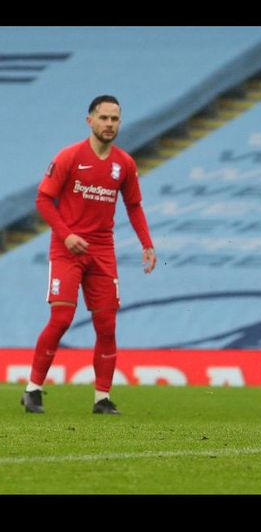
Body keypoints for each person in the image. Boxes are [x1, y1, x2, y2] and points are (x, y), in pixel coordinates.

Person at [21, 95, 157, 415]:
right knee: (62, 318)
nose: (110, 124)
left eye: (115, 119)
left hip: (102, 252)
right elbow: (43, 199)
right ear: (90, 121)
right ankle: (33, 390)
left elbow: (134, 206)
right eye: (104, 118)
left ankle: (102, 398)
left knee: (107, 325)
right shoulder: (70, 157)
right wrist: (66, 235)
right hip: (67, 250)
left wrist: (147, 244)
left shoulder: (123, 163)